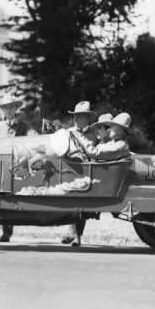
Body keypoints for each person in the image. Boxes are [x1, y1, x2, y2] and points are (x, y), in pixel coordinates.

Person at [0, 94, 29, 242]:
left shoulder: (24, 126)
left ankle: (8, 231)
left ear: (16, 108)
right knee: (1, 198)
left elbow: (35, 139)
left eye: (11, 107)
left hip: (17, 167)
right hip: (0, 166)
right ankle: (4, 232)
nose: (8, 110)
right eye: (5, 107)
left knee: (13, 200)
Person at [61, 101, 98, 245]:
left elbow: (100, 151)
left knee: (82, 206)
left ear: (87, 118)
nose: (76, 119)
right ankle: (73, 234)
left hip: (89, 171)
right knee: (72, 203)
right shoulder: (68, 133)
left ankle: (76, 236)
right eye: (75, 116)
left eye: (81, 116)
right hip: (70, 170)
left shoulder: (95, 133)